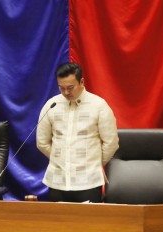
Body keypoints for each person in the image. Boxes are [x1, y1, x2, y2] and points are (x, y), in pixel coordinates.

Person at [36, 62, 119, 203]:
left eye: (70, 87)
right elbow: (42, 142)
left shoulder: (98, 105)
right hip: (57, 180)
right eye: (61, 88)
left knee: (89, 225)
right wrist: (62, 159)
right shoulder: (52, 105)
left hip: (89, 182)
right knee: (58, 224)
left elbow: (111, 143)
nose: (66, 92)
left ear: (81, 81)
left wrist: (93, 163)